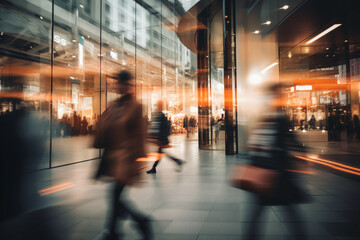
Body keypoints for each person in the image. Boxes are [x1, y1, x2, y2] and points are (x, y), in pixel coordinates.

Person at [243, 84, 308, 240]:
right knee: (288, 208)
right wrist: (303, 152)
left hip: (263, 170)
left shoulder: (260, 117)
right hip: (277, 172)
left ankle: (250, 237)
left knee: (259, 210)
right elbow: (289, 140)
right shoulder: (279, 118)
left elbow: (253, 144)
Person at [94, 71, 153, 240]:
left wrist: (139, 162)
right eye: (116, 83)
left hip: (125, 159)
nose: (116, 86)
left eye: (119, 83)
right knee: (115, 197)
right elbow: (107, 127)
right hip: (112, 157)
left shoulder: (136, 106)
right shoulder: (114, 105)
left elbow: (139, 135)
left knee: (114, 196)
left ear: (127, 85)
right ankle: (122, 228)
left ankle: (124, 227)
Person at [146, 100, 184, 174]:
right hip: (161, 139)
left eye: (157, 106)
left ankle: (154, 168)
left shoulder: (161, 116)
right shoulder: (159, 115)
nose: (156, 107)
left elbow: (165, 128)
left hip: (161, 139)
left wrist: (160, 138)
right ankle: (177, 161)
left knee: (160, 153)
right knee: (160, 153)